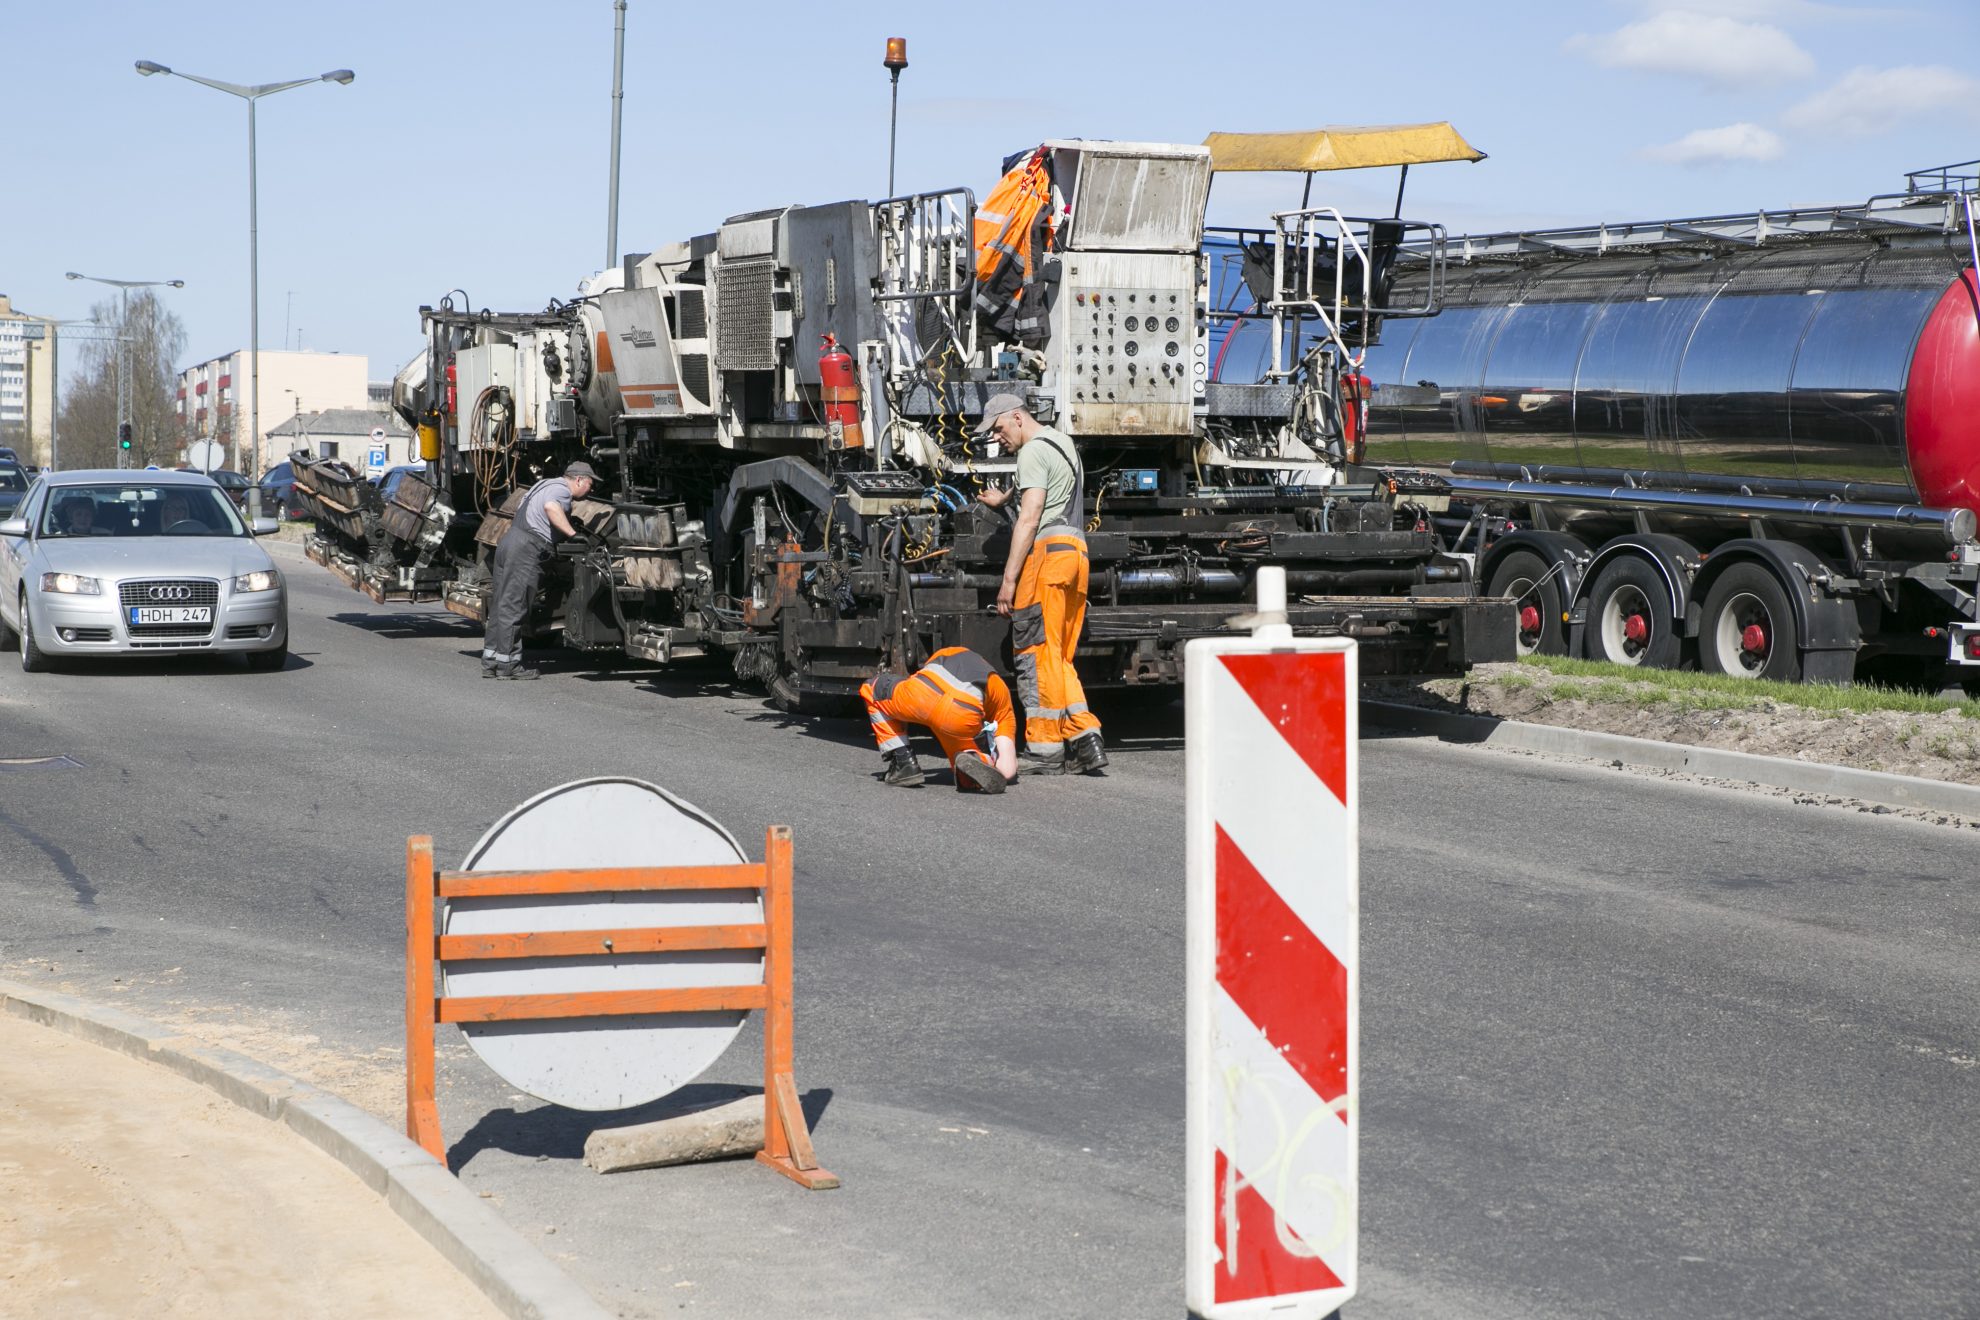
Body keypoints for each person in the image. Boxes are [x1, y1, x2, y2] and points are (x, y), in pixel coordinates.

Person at [973, 394, 1106, 775]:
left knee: (1035, 653)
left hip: (1047, 558)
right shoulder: (1061, 442)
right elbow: (1044, 486)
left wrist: (1008, 581)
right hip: (1076, 554)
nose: (997, 438)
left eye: (998, 429)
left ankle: (1045, 748)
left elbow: (1030, 519)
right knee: (1059, 657)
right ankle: (1086, 739)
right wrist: (1007, 498)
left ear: (1017, 417)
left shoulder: (1030, 453)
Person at [482, 461, 597, 679]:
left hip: (510, 542)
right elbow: (551, 507)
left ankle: (491, 662)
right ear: (579, 479)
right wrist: (572, 534)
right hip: (526, 548)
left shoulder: (543, 484)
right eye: (590, 484)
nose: (591, 490)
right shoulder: (561, 490)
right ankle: (509, 666)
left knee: (500, 604)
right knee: (514, 607)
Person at [861, 646, 1018, 793]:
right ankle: (977, 758)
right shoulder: (1001, 690)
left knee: (871, 689)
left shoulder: (949, 652)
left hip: (923, 695)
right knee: (962, 747)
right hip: (961, 715)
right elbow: (1008, 769)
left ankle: (903, 762)